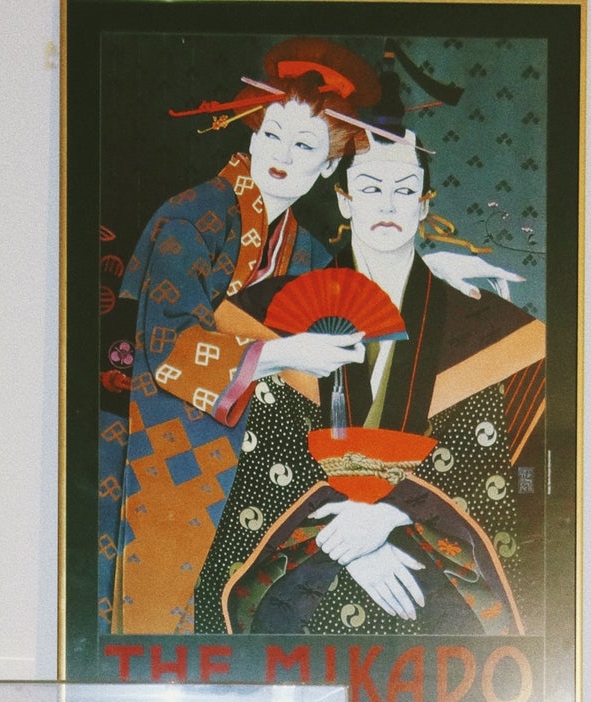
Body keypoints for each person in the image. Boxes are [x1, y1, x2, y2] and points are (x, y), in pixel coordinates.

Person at [192, 121, 547, 639]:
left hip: (427, 542)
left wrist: (387, 520)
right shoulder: (275, 313)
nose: (386, 206)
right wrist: (346, 540)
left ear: (424, 205)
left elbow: (480, 457)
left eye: (404, 192)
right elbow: (270, 454)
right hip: (309, 538)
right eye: (370, 190)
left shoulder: (478, 323)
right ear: (344, 200)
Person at [110, 39, 383, 636]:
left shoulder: (307, 251)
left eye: (306, 144)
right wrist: (282, 354)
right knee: (156, 619)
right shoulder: (190, 216)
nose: (283, 156)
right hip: (167, 450)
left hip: (261, 465)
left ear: (331, 164)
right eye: (272, 136)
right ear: (252, 135)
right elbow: (168, 351)